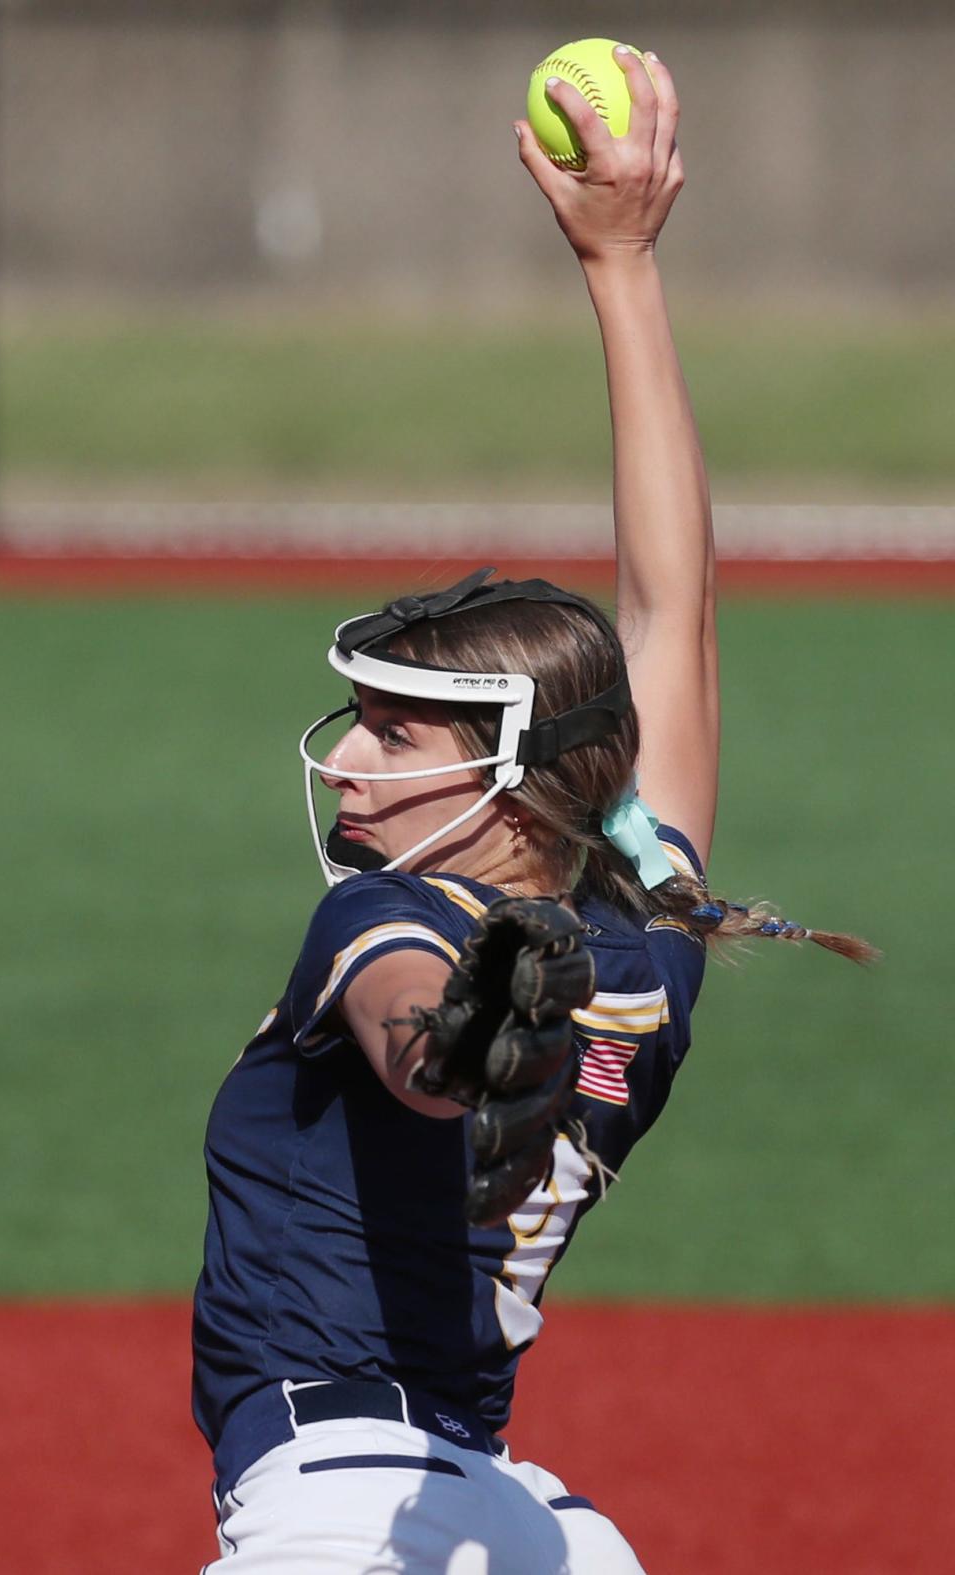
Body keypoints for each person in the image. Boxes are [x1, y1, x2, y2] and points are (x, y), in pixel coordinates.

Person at [192, 50, 871, 1574]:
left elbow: (417, 1031)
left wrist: (463, 1047)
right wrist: (620, 263)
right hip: (494, 1502)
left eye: (390, 731)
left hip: (337, 1513)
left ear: (501, 771)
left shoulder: (386, 917)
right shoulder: (651, 925)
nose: (348, 763)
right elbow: (675, 612)